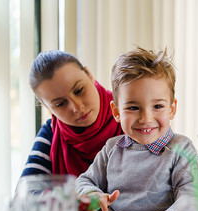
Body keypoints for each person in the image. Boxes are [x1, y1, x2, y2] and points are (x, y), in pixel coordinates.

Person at [75, 47, 198, 211]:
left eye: (158, 106)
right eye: (133, 108)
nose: (146, 118)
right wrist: (93, 194)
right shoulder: (112, 148)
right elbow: (84, 181)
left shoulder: (181, 148)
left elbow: (192, 196)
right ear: (117, 112)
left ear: (172, 108)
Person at [20, 50, 123, 178]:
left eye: (79, 90)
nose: (77, 107)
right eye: (60, 104)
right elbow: (27, 191)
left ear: (89, 75)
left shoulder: (132, 116)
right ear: (47, 107)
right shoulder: (50, 134)